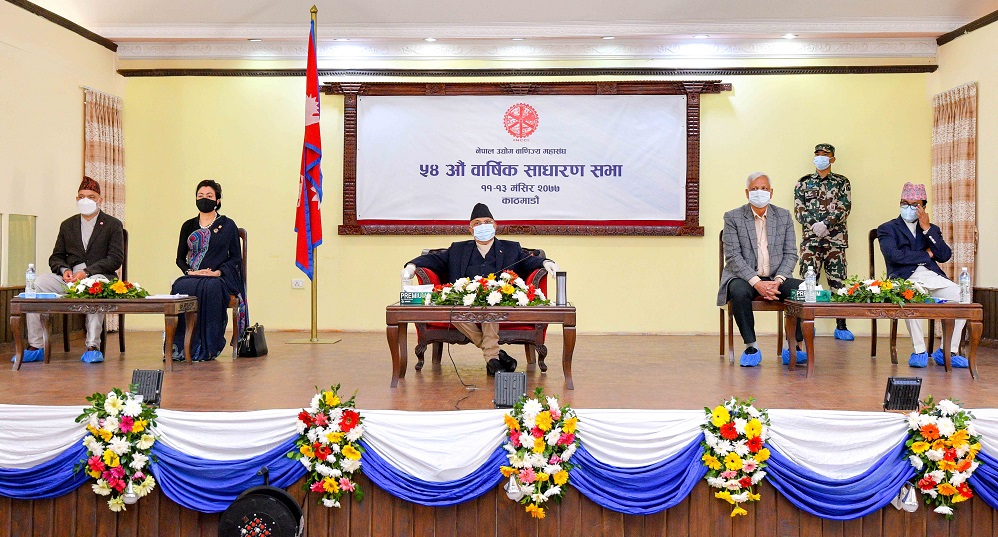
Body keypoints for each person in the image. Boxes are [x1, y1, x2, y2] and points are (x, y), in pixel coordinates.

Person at [402, 203, 558, 376]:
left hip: (497, 302)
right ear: (470, 229)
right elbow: (433, 259)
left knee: (490, 308)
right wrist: (412, 265)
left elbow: (528, 260)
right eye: (477, 223)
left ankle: (492, 359)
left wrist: (546, 262)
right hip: (463, 303)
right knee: (451, 310)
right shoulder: (457, 249)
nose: (483, 226)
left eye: (487, 222)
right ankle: (495, 356)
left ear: (495, 226)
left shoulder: (511, 248)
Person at [11, 177, 124, 364]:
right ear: (76, 199)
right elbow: (56, 257)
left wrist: (86, 272)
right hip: (69, 279)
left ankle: (92, 346)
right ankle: (36, 346)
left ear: (100, 200)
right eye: (81, 196)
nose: (85, 200)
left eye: (91, 197)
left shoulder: (112, 224)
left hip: (97, 276)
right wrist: (64, 270)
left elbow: (115, 259)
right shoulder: (67, 225)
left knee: (95, 285)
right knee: (38, 284)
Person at [717, 172, 805, 367]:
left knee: (803, 290)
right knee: (738, 292)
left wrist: (778, 281)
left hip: (776, 278)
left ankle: (793, 346)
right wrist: (757, 283)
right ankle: (751, 346)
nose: (759, 192)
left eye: (764, 189)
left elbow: (791, 253)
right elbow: (733, 257)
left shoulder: (783, 216)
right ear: (747, 193)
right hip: (743, 277)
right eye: (755, 189)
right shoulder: (733, 217)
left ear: (771, 192)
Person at [877, 182, 967, 368]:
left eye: (914, 204)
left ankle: (947, 351)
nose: (908, 208)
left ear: (923, 207)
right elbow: (894, 256)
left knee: (961, 296)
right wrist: (926, 255)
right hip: (904, 278)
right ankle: (919, 351)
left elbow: (944, 255)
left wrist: (926, 229)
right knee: (910, 297)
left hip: (932, 277)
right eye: (904, 203)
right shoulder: (887, 228)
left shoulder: (931, 229)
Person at [170, 180, 247, 361]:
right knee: (179, 287)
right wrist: (190, 272)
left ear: (218, 200)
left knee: (212, 288)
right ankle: (180, 348)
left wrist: (217, 272)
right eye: (200, 196)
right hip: (193, 276)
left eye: (209, 196)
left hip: (218, 278)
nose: (204, 199)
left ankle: (208, 347)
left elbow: (235, 258)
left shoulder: (228, 225)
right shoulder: (188, 226)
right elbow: (180, 259)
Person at [794, 143, 854, 340]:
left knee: (838, 284)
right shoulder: (803, 183)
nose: (820, 157)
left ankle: (841, 327)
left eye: (825, 154)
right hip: (811, 242)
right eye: (818, 154)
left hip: (834, 241)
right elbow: (799, 209)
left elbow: (844, 207)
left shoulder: (842, 182)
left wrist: (827, 224)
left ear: (832, 159)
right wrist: (814, 225)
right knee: (808, 285)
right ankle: (806, 326)